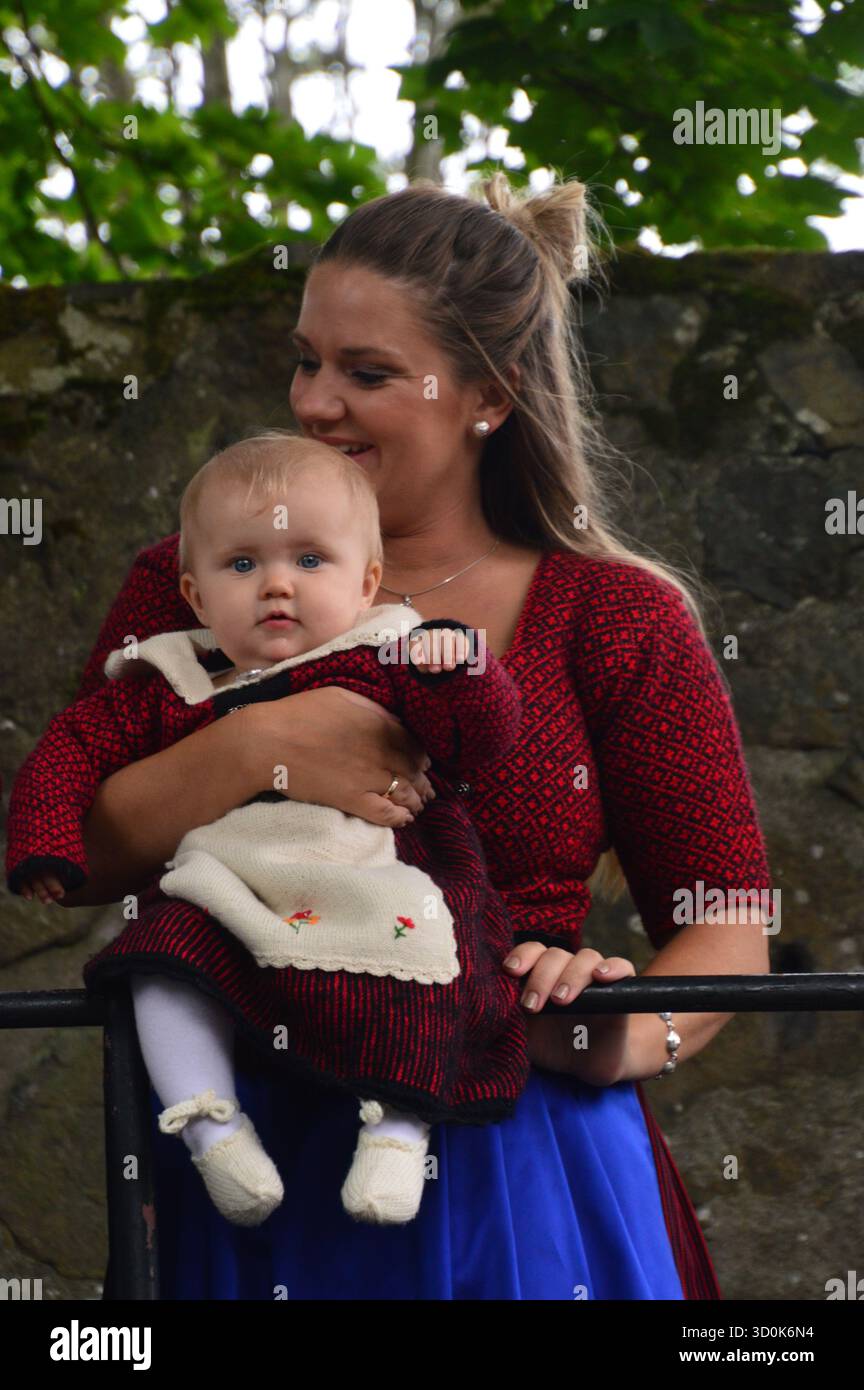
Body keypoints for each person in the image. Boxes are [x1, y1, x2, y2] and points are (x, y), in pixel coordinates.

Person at [41, 171, 771, 1300]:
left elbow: (728, 921)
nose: (315, 402)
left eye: (366, 373)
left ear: (490, 392)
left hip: (513, 1142)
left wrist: (621, 1032)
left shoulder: (616, 616)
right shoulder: (199, 579)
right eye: (307, 360)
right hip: (257, 1142)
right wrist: (254, 747)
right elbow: (77, 856)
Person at [5, 431, 533, 1229]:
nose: (277, 585)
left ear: (369, 582)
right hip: (230, 888)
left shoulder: (388, 654)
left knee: (437, 961)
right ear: (193, 593)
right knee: (155, 961)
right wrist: (45, 841)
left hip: (374, 870)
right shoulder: (175, 682)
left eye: (311, 561)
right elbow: (71, 748)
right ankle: (213, 1128)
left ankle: (398, 1131)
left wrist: (457, 666)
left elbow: (482, 737)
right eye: (242, 565)